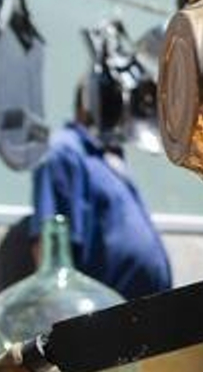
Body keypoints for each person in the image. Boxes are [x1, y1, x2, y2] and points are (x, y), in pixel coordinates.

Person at [30, 72, 173, 301]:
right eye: (115, 99)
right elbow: (48, 247)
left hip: (144, 307)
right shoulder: (63, 151)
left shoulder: (107, 156)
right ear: (90, 102)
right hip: (106, 312)